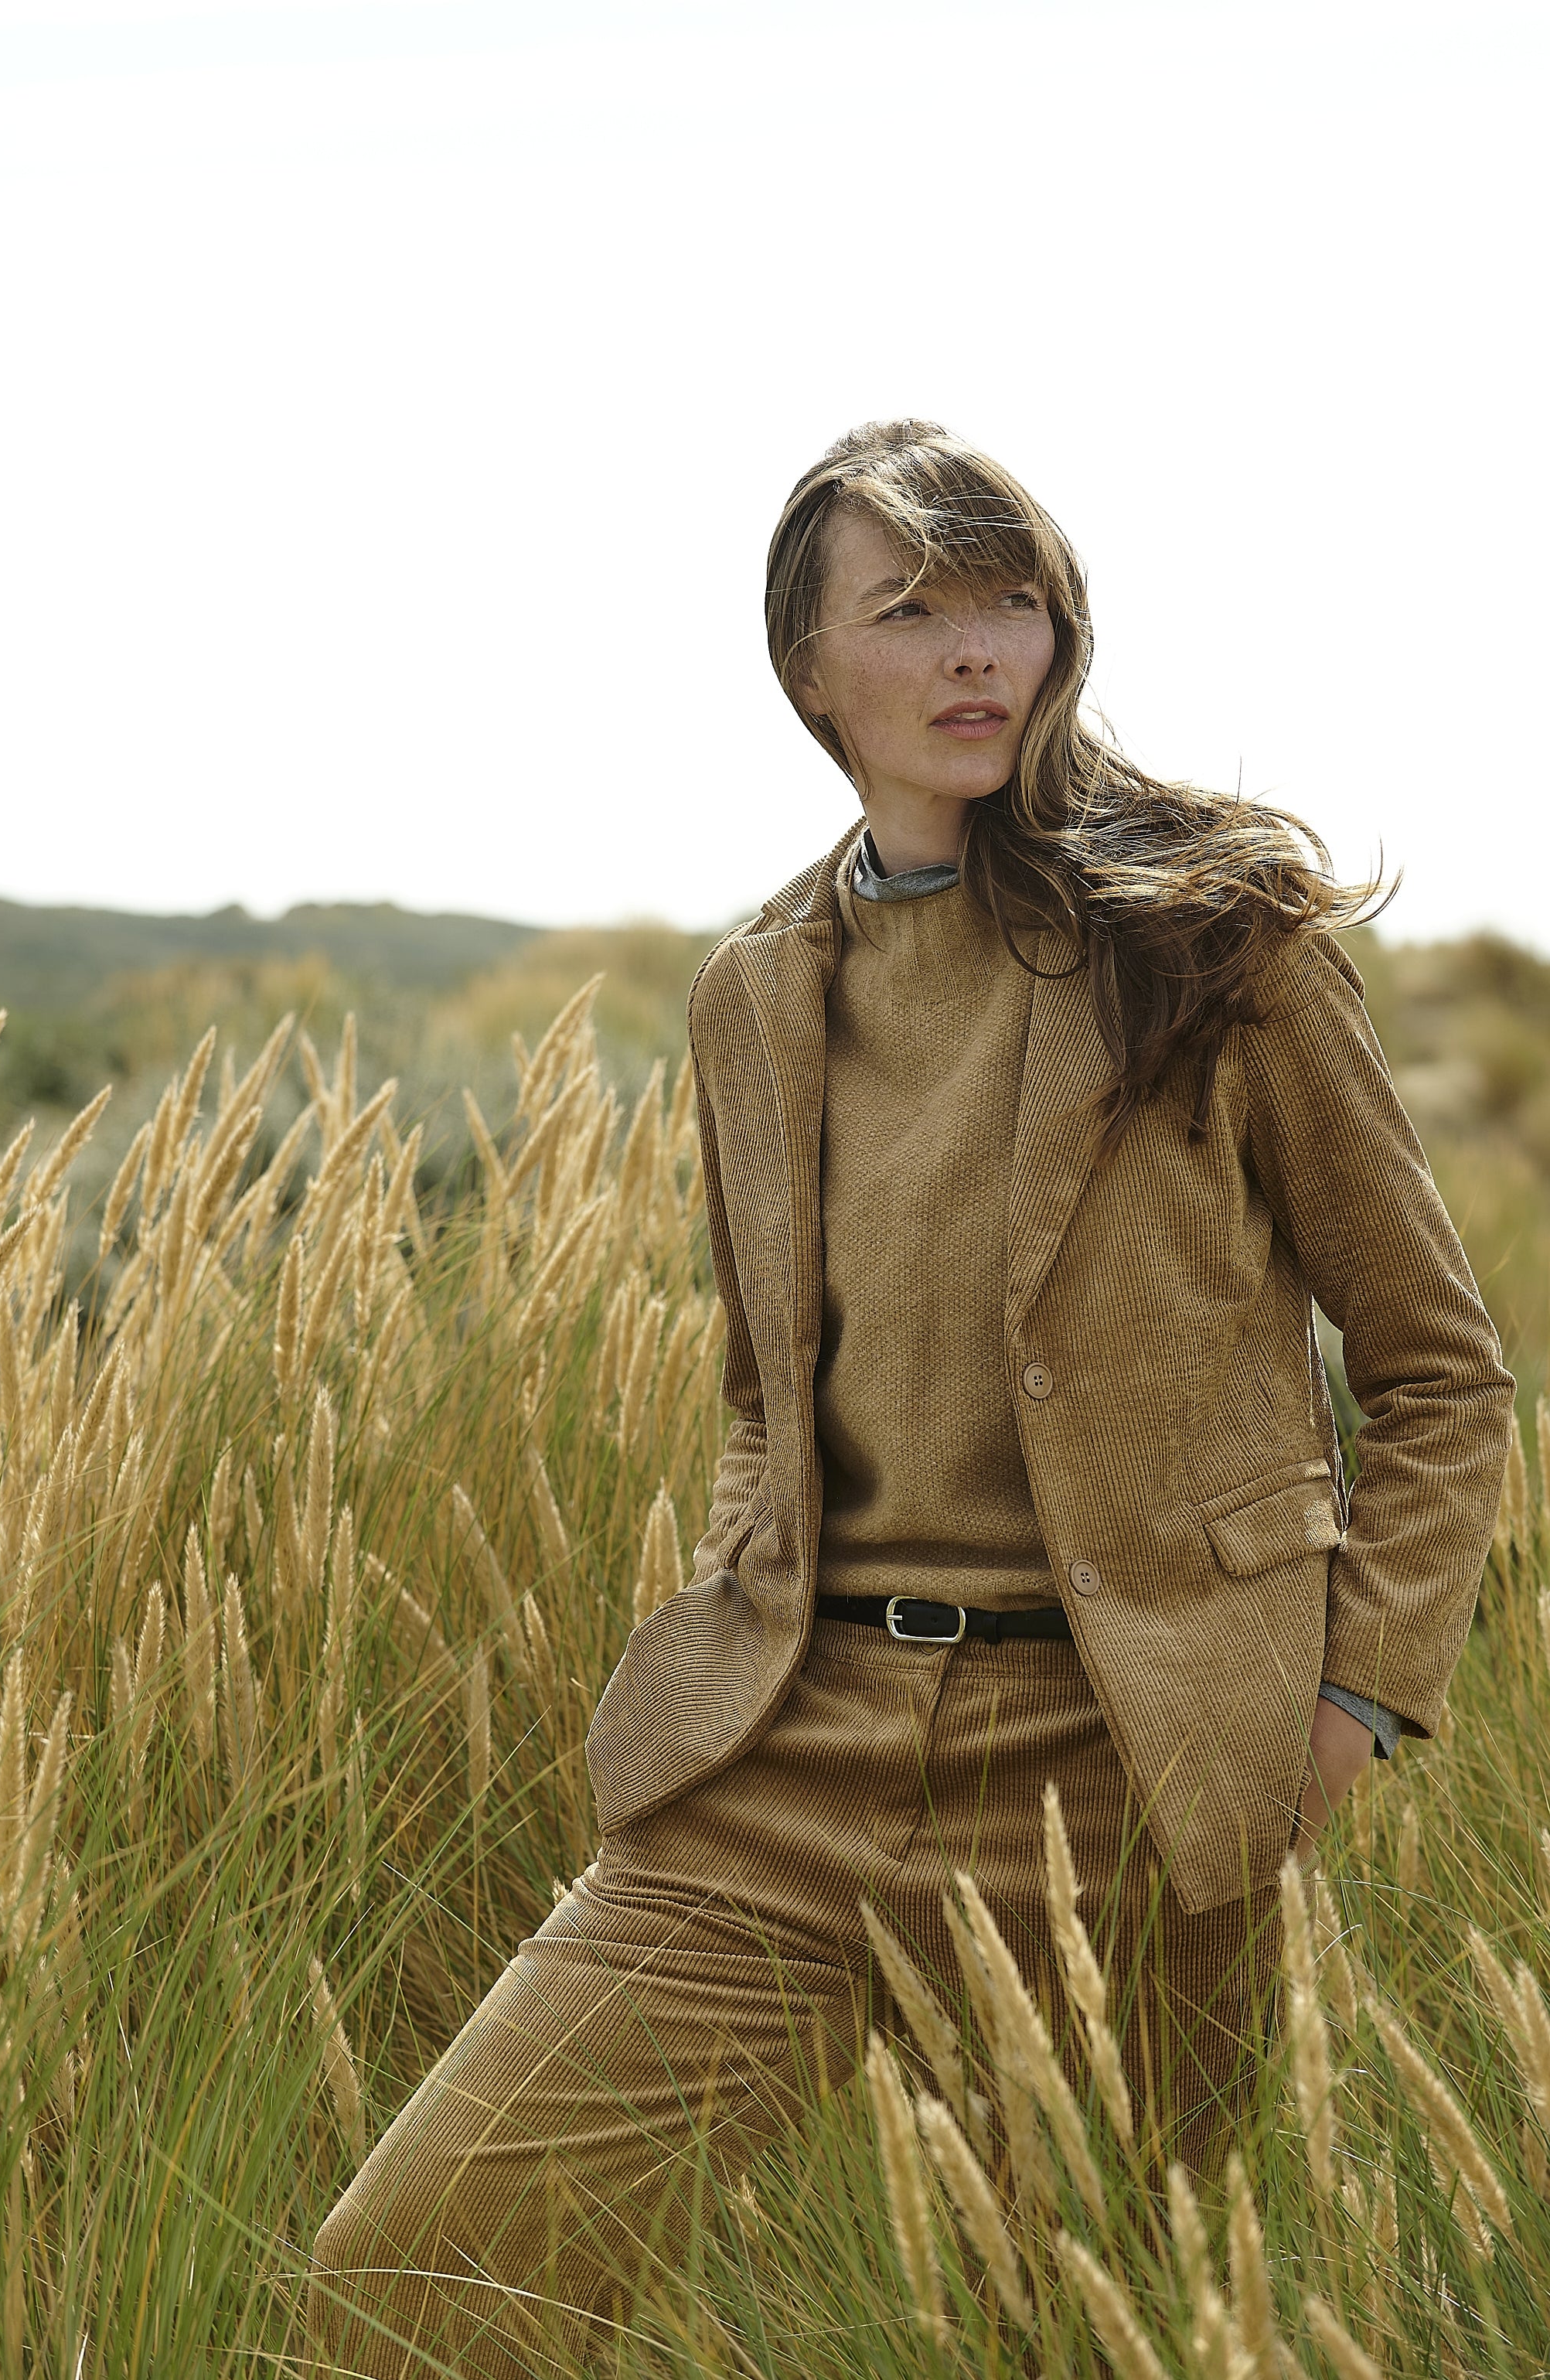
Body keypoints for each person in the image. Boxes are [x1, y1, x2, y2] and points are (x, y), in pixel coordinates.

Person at [307, 421, 1514, 2376]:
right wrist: (741, 1588)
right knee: (410, 2280)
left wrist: (1351, 1703)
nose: (973, 651)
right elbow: (762, 1394)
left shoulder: (1213, 940)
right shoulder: (755, 995)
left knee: (1080, 2333)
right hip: (787, 1755)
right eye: (910, 609)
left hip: (1131, 1764)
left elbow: (1440, 1371)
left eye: (1009, 602)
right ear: (808, 667)